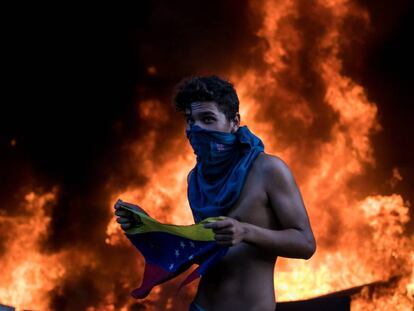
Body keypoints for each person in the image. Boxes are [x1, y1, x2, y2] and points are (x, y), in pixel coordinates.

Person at [114, 75, 316, 311]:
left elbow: (305, 243)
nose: (197, 128)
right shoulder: (196, 180)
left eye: (208, 119)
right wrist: (149, 226)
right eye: (191, 120)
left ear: (234, 122)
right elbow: (207, 251)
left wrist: (245, 231)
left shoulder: (268, 170)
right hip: (202, 306)